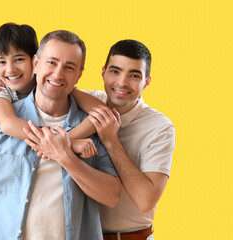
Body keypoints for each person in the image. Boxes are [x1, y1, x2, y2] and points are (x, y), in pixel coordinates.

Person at [0, 30, 121, 240]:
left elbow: (112, 196)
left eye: (69, 67)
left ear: (79, 74)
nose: (58, 74)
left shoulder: (93, 128)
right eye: (51, 62)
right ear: (36, 63)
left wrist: (64, 155)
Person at [22, 40, 175, 240]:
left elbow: (146, 200)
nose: (122, 82)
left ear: (146, 82)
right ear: (103, 72)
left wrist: (111, 141)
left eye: (134, 75)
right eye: (115, 71)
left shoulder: (159, 128)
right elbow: (52, 83)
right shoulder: (86, 103)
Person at [0, 23, 108, 159]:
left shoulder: (50, 81)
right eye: (1, 62)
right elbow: (7, 124)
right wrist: (67, 144)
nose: (10, 70)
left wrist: (65, 140)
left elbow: (103, 114)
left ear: (35, 62)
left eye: (19, 59)